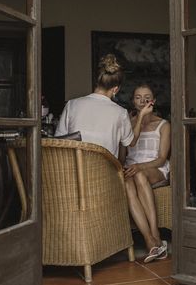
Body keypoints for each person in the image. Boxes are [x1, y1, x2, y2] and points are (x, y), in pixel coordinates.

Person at [55, 55, 168, 262]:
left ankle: (153, 241)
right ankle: (153, 241)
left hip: (69, 180)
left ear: (98, 81)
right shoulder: (119, 112)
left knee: (127, 180)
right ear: (116, 90)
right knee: (125, 181)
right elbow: (130, 143)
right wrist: (141, 117)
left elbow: (59, 142)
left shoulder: (72, 105)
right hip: (102, 181)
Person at [121, 84, 171, 263]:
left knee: (139, 175)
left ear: (153, 101)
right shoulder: (128, 124)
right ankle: (151, 241)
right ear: (133, 101)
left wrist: (140, 167)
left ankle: (155, 233)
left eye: (146, 97)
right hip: (132, 170)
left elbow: (162, 158)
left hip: (155, 169)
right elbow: (123, 156)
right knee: (127, 183)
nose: (142, 101)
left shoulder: (163, 125)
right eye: (137, 97)